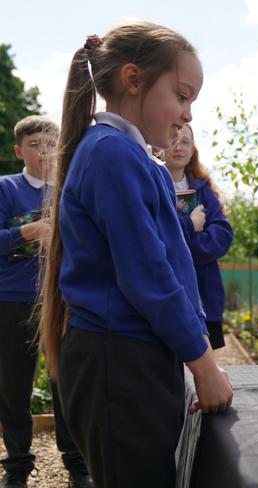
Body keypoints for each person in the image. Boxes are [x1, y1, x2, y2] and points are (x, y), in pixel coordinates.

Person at [38, 22, 233, 488]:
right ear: (132, 80)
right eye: (182, 96)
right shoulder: (113, 154)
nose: (187, 115)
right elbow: (149, 276)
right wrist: (203, 364)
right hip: (118, 363)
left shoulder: (132, 155)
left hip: (133, 357)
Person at [0, 117, 92, 488]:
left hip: (64, 300)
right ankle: (18, 467)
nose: (44, 151)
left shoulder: (71, 189)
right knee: (14, 387)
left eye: (51, 143)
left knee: (66, 384)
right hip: (12, 301)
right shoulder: (6, 188)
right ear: (19, 151)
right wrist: (28, 231)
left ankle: (76, 465)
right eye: (35, 144)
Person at [165, 124, 233, 350]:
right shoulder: (152, 184)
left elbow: (222, 235)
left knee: (203, 360)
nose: (178, 147)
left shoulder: (203, 189)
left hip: (203, 289)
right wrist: (190, 225)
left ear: (193, 149)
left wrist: (187, 245)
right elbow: (157, 238)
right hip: (166, 288)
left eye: (185, 142)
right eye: (173, 140)